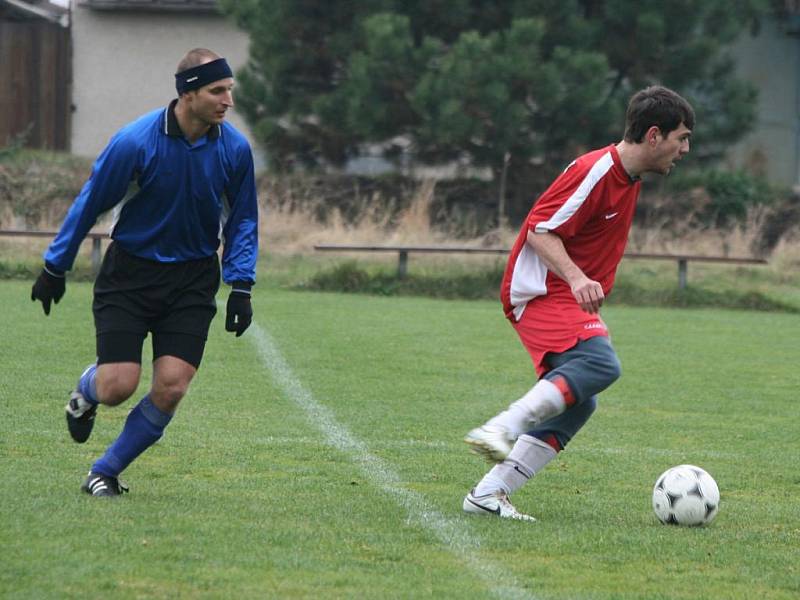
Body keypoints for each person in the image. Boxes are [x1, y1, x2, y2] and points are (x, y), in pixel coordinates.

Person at [30, 48, 259, 497]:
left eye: (230, 90)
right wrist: (55, 266)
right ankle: (85, 392)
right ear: (188, 93)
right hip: (129, 275)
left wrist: (241, 285)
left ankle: (105, 470)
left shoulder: (234, 149)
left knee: (172, 387)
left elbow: (243, 219)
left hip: (192, 279)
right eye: (218, 90)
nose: (227, 100)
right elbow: (91, 202)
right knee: (118, 386)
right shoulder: (136, 142)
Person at [462, 85, 694, 521]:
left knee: (581, 400)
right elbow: (538, 229)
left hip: (563, 294)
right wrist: (577, 277)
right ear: (654, 136)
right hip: (539, 292)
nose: (686, 148)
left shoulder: (628, 178)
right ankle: (502, 427)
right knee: (602, 366)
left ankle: (488, 495)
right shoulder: (595, 171)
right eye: (681, 138)